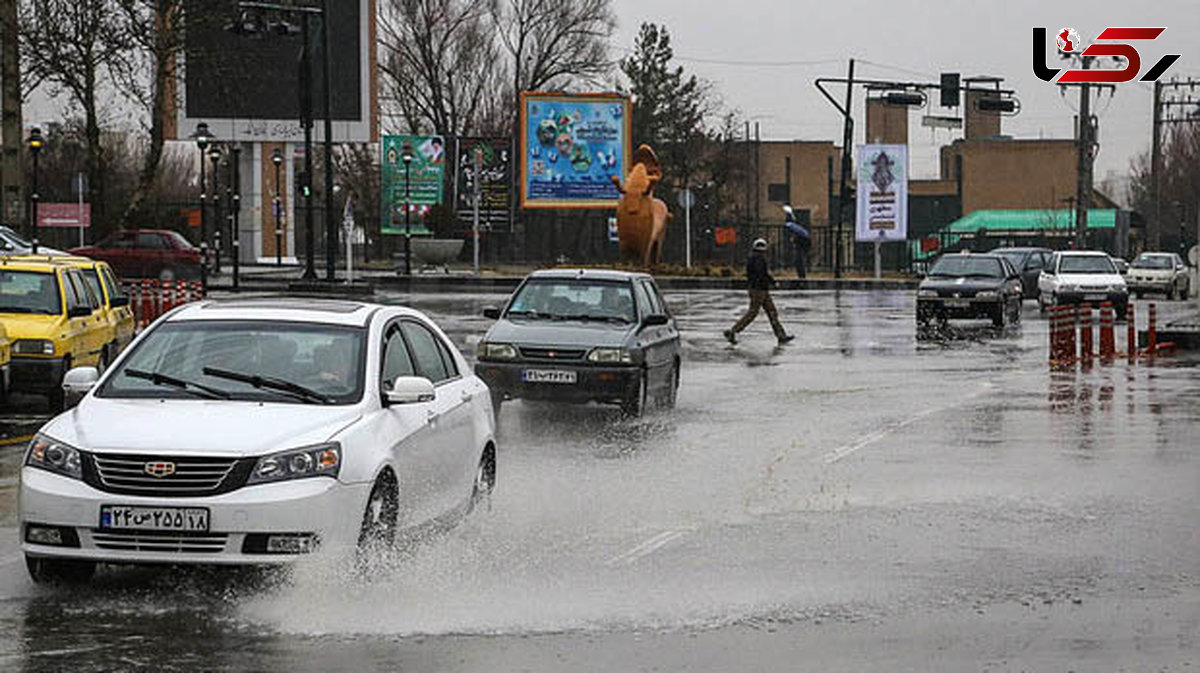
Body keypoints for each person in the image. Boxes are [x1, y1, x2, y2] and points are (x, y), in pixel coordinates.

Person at [724, 238, 794, 345]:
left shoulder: (754, 257)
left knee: (772, 312)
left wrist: (771, 282)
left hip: (760, 289)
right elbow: (762, 274)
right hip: (759, 289)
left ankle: (781, 335)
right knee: (753, 312)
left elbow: (762, 274)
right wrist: (772, 282)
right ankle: (733, 331)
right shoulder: (758, 259)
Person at [783, 205, 811, 278]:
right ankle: (801, 275)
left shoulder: (798, 232)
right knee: (798, 261)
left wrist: (794, 240)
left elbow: (799, 240)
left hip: (800, 248)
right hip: (800, 248)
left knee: (799, 261)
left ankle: (801, 276)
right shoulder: (799, 231)